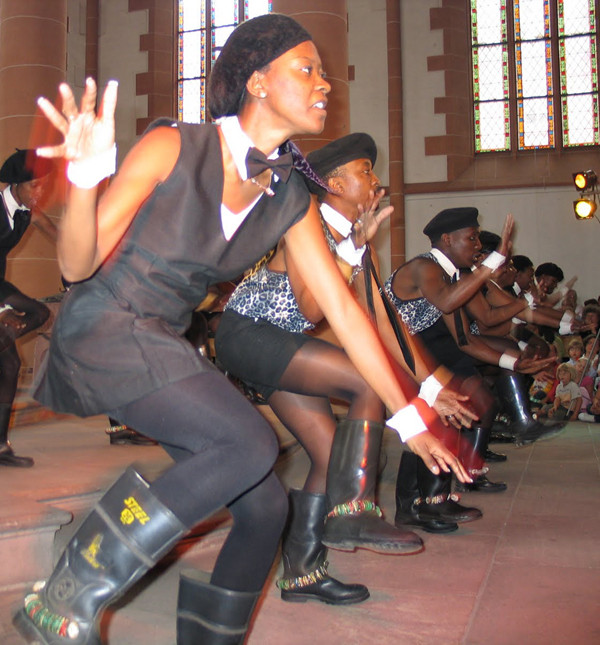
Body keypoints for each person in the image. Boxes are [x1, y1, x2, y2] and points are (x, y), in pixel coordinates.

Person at [14, 15, 469, 645]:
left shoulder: (288, 198)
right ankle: (68, 592)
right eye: (306, 69)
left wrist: (410, 415)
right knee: (251, 442)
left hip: (162, 341)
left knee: (265, 506)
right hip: (106, 323)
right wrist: (87, 181)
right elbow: (75, 265)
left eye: (323, 73)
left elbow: (343, 310)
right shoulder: (174, 145)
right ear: (257, 81)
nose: (324, 84)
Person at [217, 133, 479, 594]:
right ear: (335, 182)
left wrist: (433, 388)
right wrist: (349, 251)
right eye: (365, 171)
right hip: (249, 334)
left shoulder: (351, 241)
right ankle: (354, 511)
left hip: (281, 342)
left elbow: (383, 321)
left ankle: (302, 571)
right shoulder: (308, 221)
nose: (376, 181)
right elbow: (312, 309)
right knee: (365, 381)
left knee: (330, 452)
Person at [385, 208, 556, 496]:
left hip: (424, 348)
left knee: (475, 403)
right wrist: (493, 261)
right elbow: (450, 303)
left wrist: (515, 365)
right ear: (447, 239)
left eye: (478, 239)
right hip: (399, 353)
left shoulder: (449, 278)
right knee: (447, 414)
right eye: (472, 238)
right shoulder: (424, 267)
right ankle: (424, 500)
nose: (477, 246)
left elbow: (466, 340)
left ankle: (444, 489)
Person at [0, 149, 55, 467]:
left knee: (9, 366)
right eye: (35, 185)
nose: (40, 193)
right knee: (39, 313)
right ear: (17, 184)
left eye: (44, 186)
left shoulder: (25, 212)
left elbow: (61, 238)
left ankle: (1, 446)